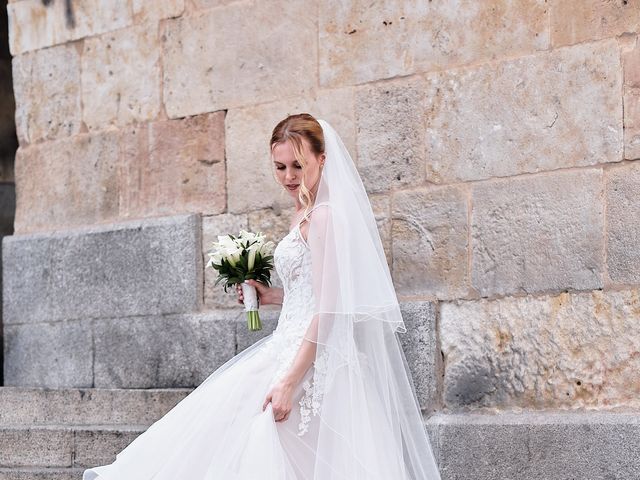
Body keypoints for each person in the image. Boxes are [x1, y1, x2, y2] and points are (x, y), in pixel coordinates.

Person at [83, 113, 441, 479]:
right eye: (280, 166)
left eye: (298, 165)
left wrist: (288, 381)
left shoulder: (325, 217)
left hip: (313, 360)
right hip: (288, 345)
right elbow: (315, 293)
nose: (289, 177)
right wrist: (270, 296)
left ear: (322, 159)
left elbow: (331, 309)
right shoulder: (304, 212)